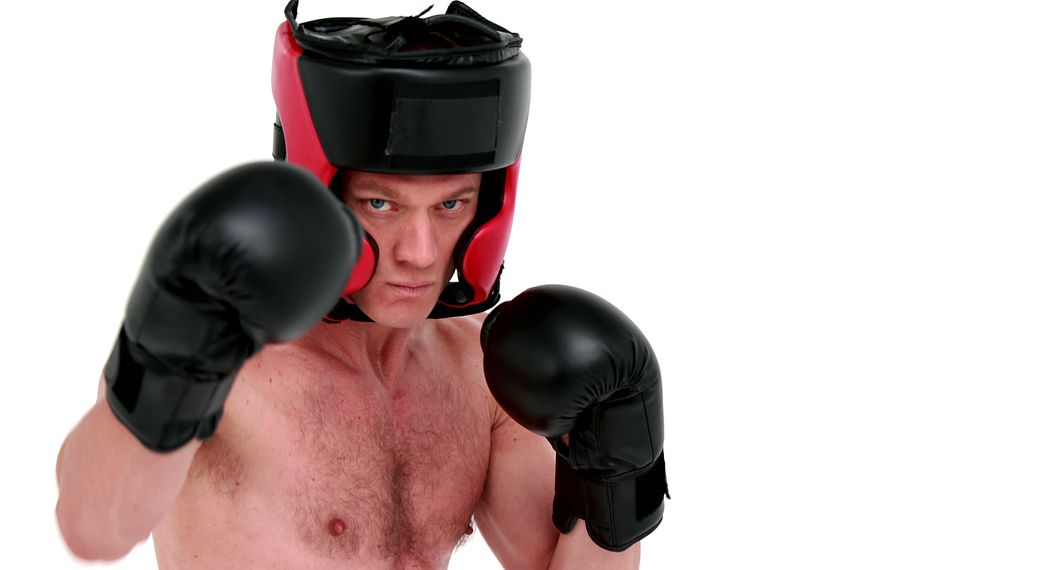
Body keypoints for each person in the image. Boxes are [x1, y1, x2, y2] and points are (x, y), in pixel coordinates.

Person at [54, 2, 667, 568]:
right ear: (323, 197)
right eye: (381, 203)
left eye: (452, 205)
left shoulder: (478, 369)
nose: (420, 253)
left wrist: (618, 475)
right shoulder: (227, 364)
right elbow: (93, 528)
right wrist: (163, 353)